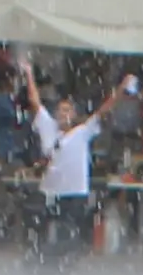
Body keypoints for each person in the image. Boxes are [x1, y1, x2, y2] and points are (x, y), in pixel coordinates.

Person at [36, 91, 98, 262]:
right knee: (47, 231)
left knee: (69, 234)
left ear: (74, 114)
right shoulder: (50, 131)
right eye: (61, 110)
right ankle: (47, 264)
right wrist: (28, 73)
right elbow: (35, 102)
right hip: (51, 192)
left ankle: (65, 264)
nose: (63, 114)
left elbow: (104, 111)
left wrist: (122, 89)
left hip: (74, 193)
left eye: (67, 110)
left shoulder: (82, 132)